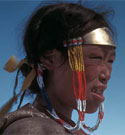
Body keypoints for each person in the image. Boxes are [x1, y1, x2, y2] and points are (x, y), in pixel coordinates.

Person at [0, 2, 116, 135]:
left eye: (110, 60)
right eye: (96, 57)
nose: (106, 74)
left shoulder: (57, 128)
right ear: (50, 58)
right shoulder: (33, 130)